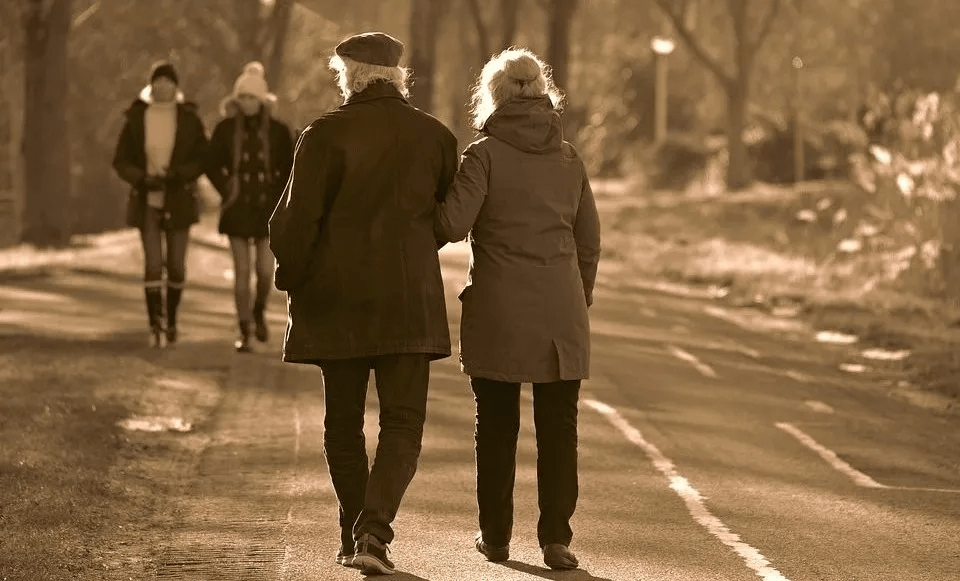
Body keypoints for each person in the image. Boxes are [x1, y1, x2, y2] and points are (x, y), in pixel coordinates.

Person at [268, 32, 458, 575]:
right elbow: (448, 215)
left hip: (339, 300)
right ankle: (372, 533)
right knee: (403, 422)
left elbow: (293, 223)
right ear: (397, 77)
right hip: (409, 299)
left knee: (343, 423)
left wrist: (294, 277)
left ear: (348, 75)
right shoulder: (436, 137)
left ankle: (356, 530)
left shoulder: (322, 136)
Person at [434, 47, 601, 571]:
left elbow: (450, 225)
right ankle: (556, 539)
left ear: (495, 96)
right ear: (542, 92)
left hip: (499, 308)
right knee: (559, 428)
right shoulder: (569, 157)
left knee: (497, 425)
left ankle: (497, 537)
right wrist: (579, 294)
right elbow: (589, 239)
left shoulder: (483, 156)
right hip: (560, 312)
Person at [113, 61, 208, 347]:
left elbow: (203, 158)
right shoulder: (136, 118)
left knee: (176, 267)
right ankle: (155, 322)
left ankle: (173, 320)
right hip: (147, 200)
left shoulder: (189, 119)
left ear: (175, 87)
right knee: (153, 264)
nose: (162, 86)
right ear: (150, 85)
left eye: (168, 81)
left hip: (178, 198)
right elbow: (121, 160)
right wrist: (141, 178)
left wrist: (179, 175)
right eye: (158, 81)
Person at [206, 61, 294, 352]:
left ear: (262, 100)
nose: (247, 103)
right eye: (242, 97)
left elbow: (290, 168)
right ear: (236, 99)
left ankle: (258, 312)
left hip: (267, 209)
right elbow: (211, 163)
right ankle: (244, 330)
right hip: (237, 208)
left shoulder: (280, 132)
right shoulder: (225, 129)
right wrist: (226, 186)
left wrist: (279, 195)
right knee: (242, 271)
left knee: (265, 271)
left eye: (252, 98)